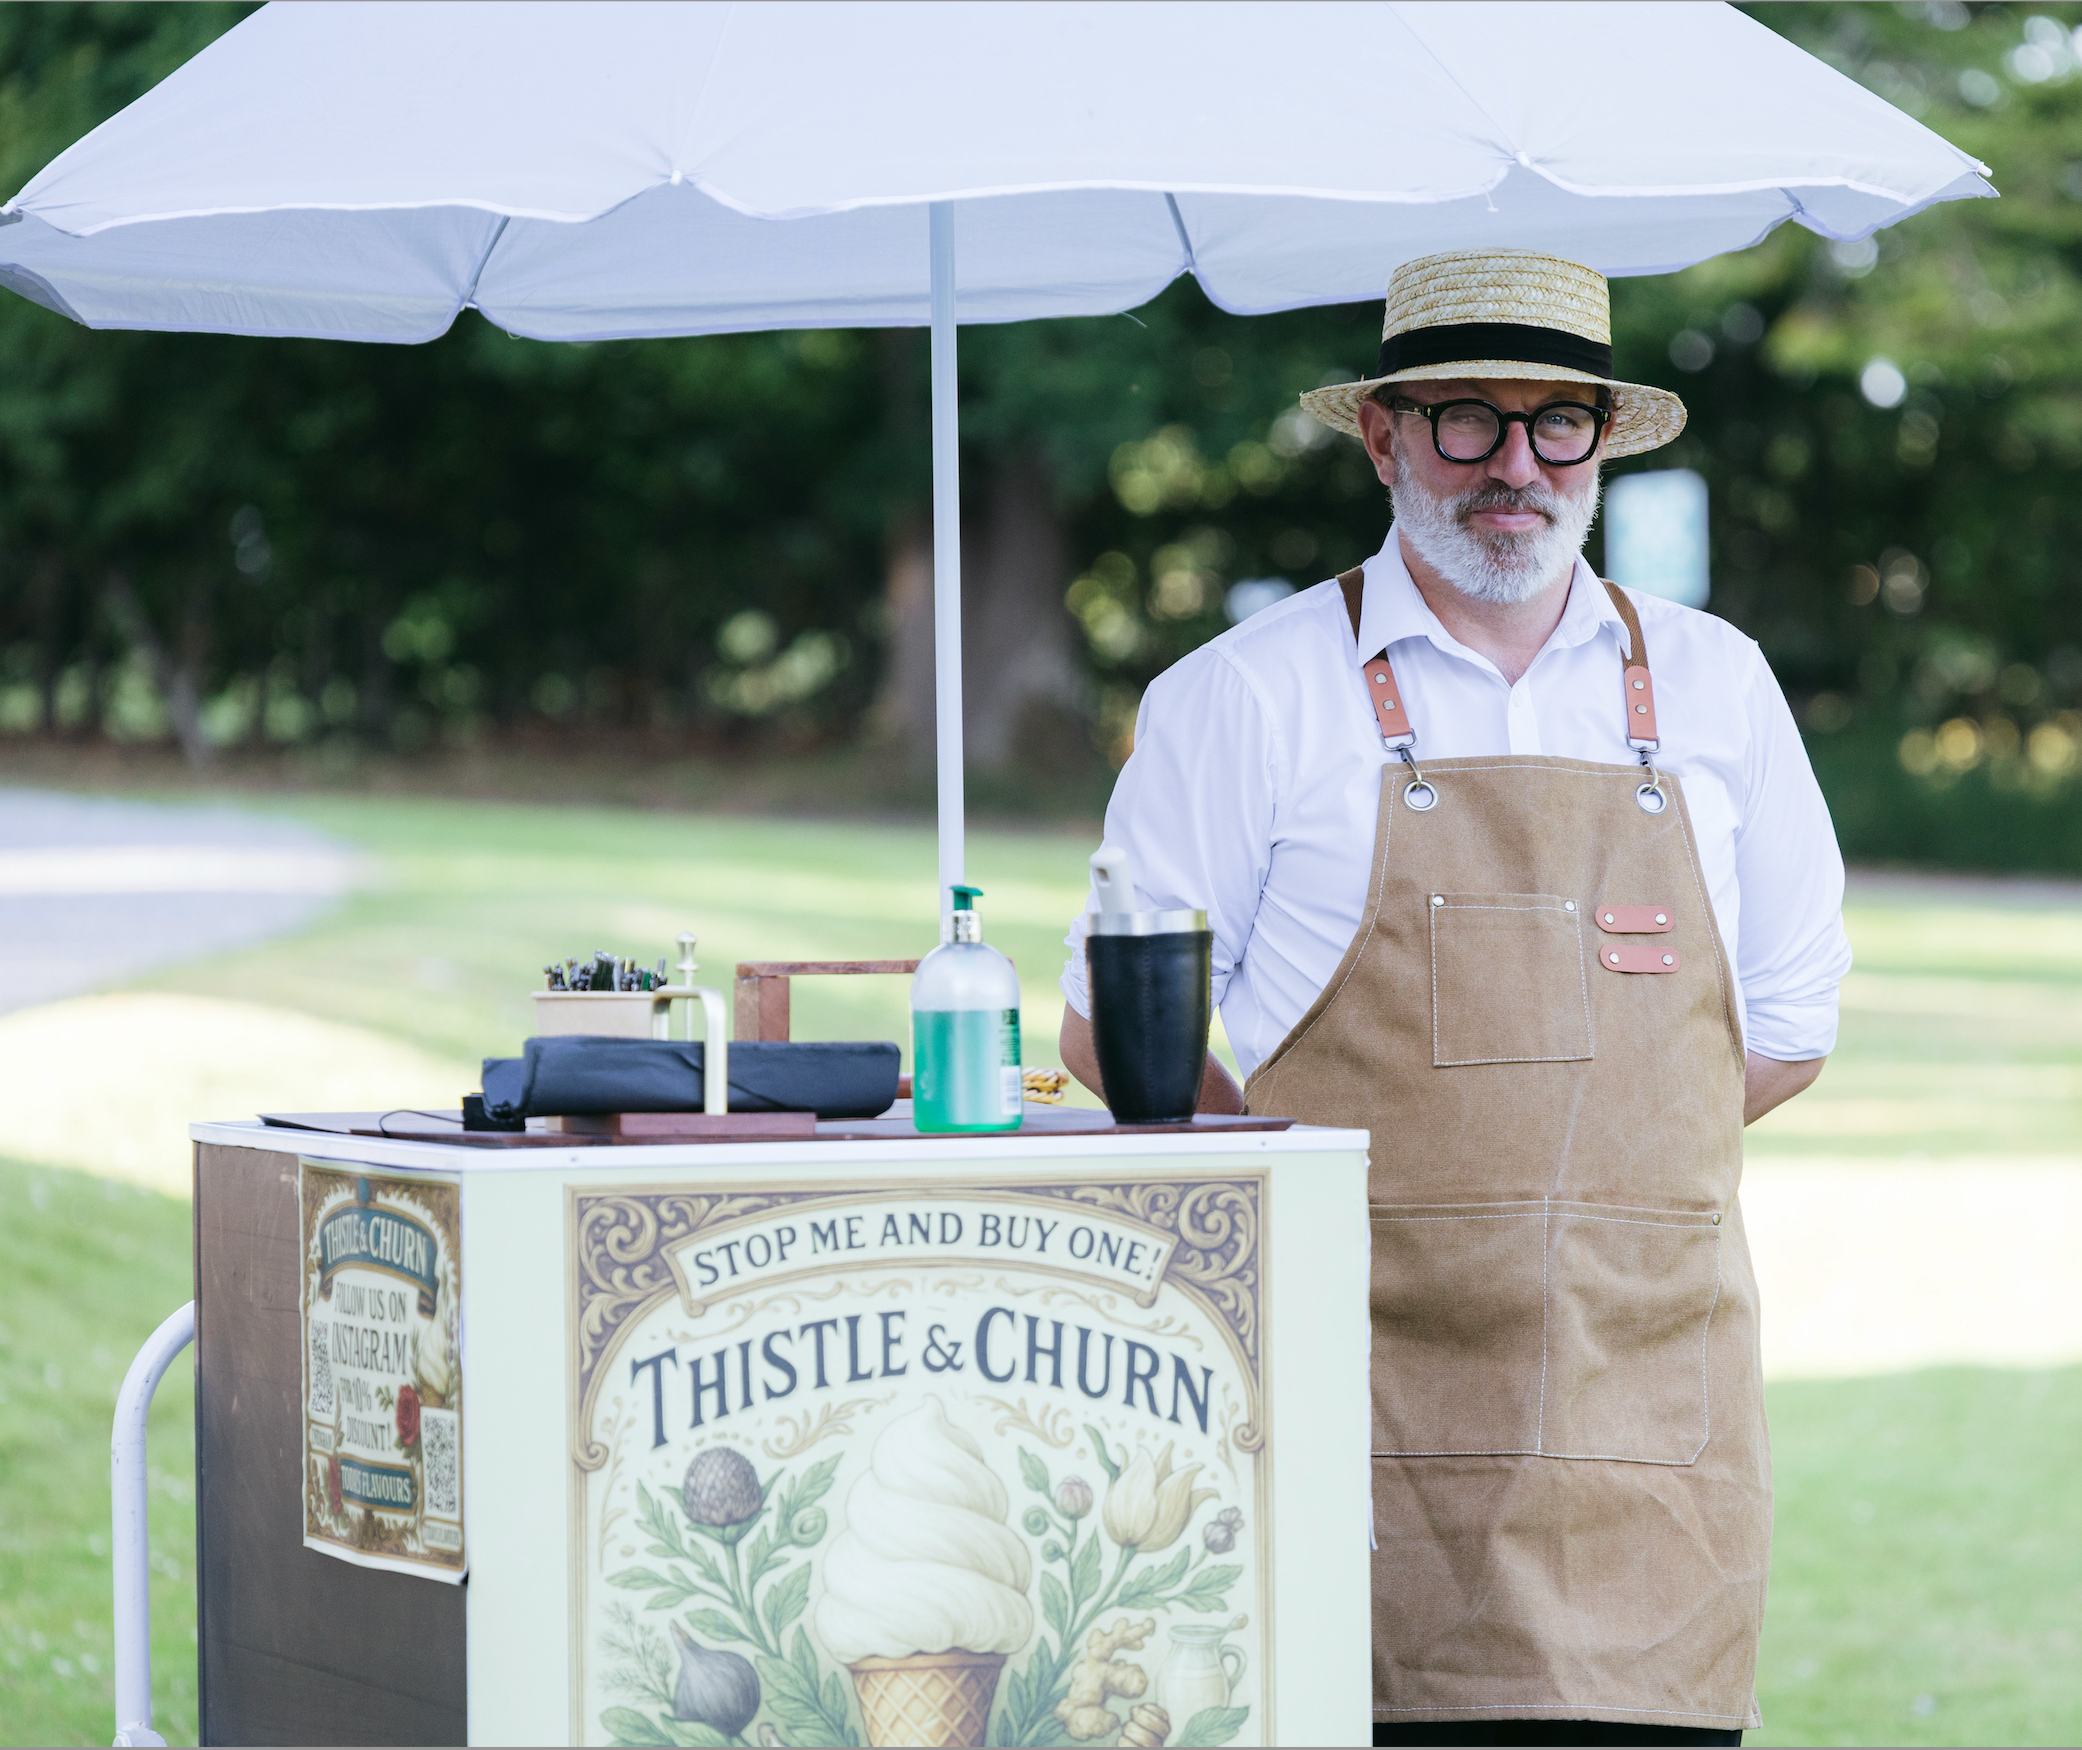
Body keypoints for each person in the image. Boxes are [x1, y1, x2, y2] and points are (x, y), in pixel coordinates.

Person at [1058, 249, 1851, 1746]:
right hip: (1357, 1403)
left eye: (1557, 421)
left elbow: (1788, 1023)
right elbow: (1110, 1031)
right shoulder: (1241, 696)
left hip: (1646, 1407)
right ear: (1384, 436)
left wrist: (1597, 1178)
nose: (1514, 465)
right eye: (1464, 419)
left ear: (1602, 442)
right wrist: (1321, 1185)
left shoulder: (1718, 686)